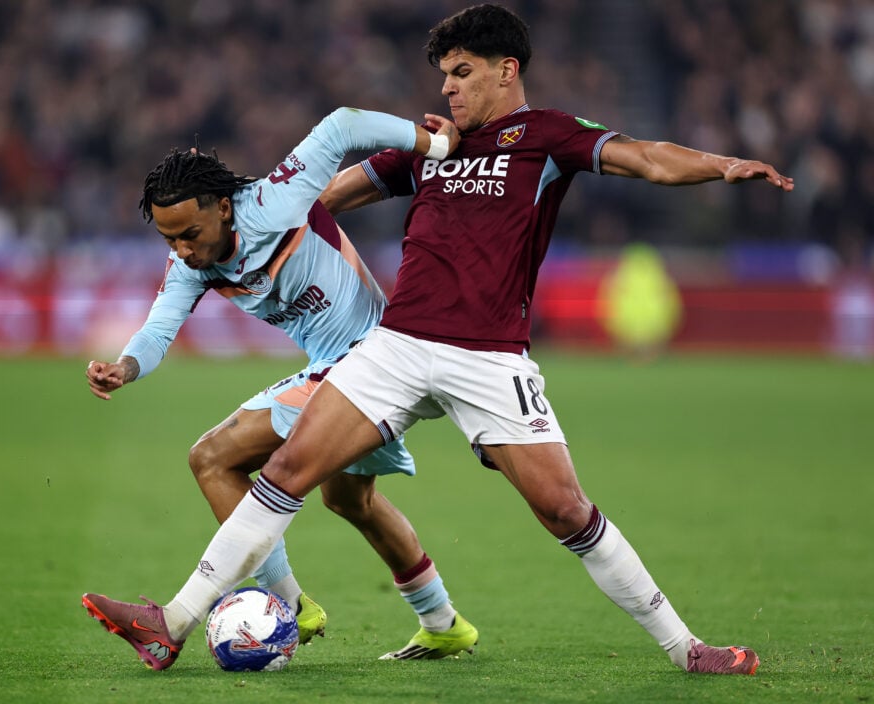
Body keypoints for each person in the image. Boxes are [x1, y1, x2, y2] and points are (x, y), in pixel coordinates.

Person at [87, 4, 795, 675]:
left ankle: (686, 647)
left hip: (487, 356)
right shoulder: (431, 150)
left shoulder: (545, 137)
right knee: (287, 474)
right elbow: (335, 191)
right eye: (443, 75)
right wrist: (273, 221)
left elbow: (644, 157)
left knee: (563, 510)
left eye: (461, 72)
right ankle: (171, 623)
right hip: (394, 347)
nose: (447, 88)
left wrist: (720, 165)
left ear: (505, 69)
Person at [81, 106, 478, 671]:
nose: (184, 251)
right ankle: (443, 624)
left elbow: (342, 125)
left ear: (223, 207)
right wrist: (126, 366)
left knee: (213, 458)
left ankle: (271, 607)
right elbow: (159, 327)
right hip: (349, 368)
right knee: (349, 499)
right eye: (171, 240)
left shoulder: (274, 200)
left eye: (191, 234)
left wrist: (433, 147)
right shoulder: (191, 266)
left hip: (374, 360)